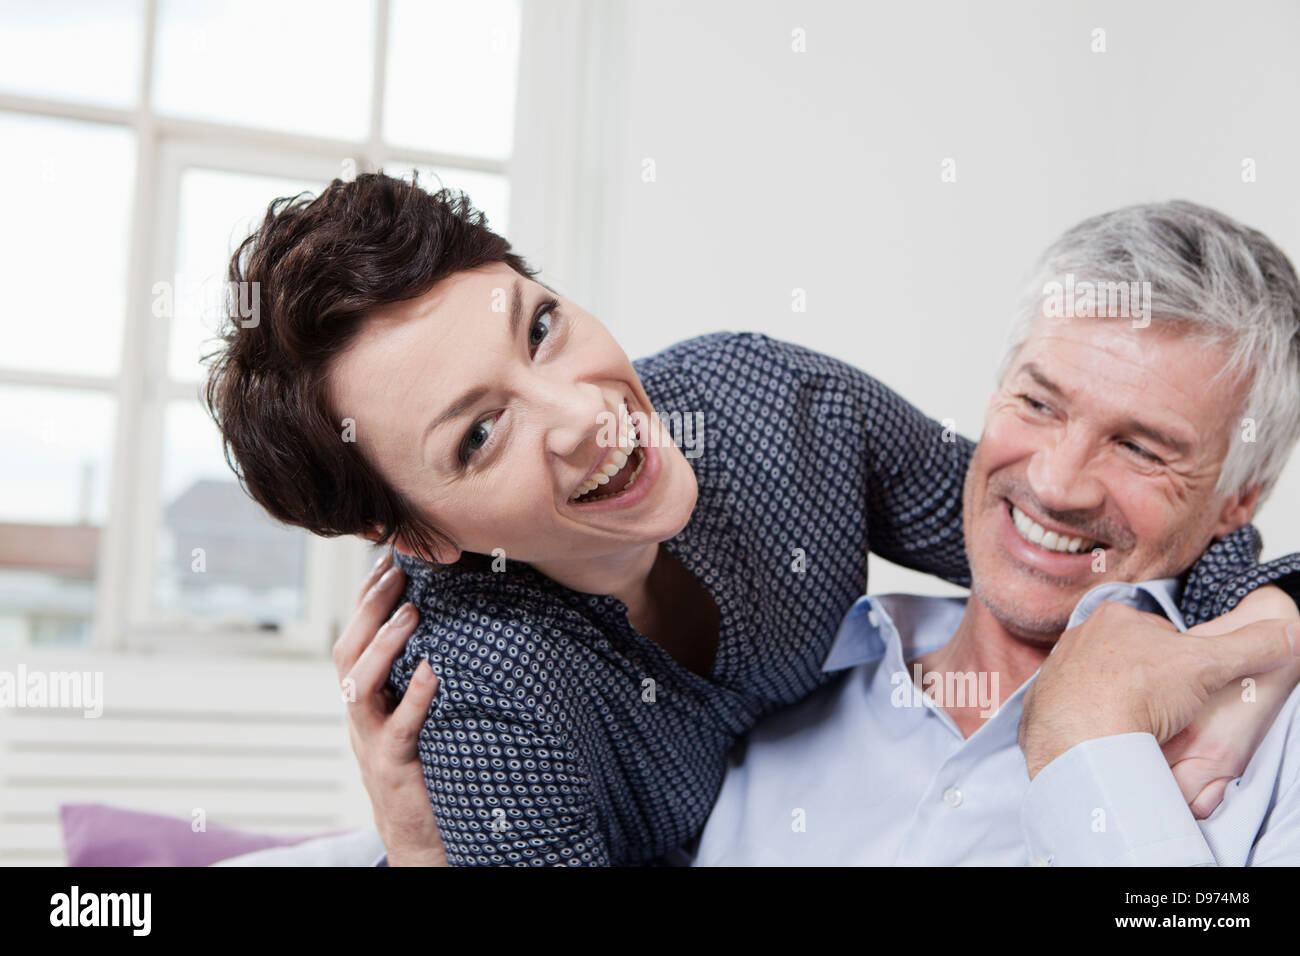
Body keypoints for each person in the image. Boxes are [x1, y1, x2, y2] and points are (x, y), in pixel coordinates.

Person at [206, 181, 1300, 865]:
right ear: (426, 539)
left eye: (539, 327)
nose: (589, 417)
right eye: (480, 434)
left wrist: (1262, 637)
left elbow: (1039, 516)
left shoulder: (773, 416)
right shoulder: (480, 693)